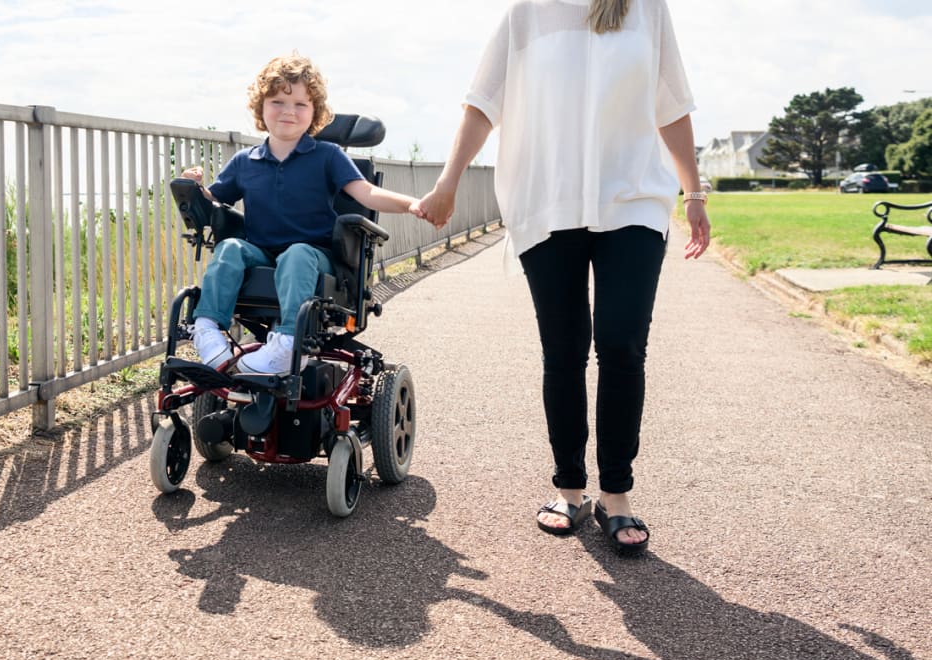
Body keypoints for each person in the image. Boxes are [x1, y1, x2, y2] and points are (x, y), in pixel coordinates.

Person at [418, 0, 710, 554]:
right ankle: (571, 489)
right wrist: (448, 182)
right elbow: (482, 103)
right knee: (565, 350)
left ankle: (616, 496)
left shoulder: (646, 8)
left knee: (623, 345)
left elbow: (671, 103)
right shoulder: (527, 12)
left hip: (634, 200)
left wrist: (693, 191)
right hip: (547, 202)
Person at [184, 53, 427, 374]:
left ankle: (287, 343)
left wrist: (411, 204)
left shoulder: (327, 155)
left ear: (314, 112)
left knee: (296, 254)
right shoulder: (246, 161)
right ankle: (207, 330)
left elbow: (365, 193)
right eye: (277, 101)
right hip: (262, 254)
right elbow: (214, 200)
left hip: (317, 257)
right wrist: (195, 186)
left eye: (300, 104)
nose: (288, 111)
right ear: (261, 108)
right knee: (230, 248)